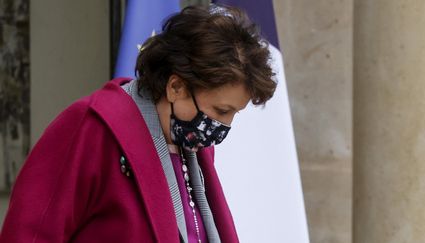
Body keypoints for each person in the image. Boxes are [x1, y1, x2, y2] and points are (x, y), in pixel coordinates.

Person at [0, 4, 276, 243]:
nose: (223, 125)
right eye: (220, 110)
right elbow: (30, 235)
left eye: (232, 114)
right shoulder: (91, 126)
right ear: (176, 86)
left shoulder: (192, 143)